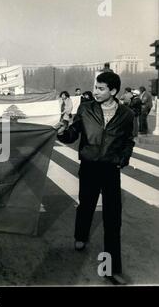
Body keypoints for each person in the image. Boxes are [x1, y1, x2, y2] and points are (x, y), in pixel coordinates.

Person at [53, 72, 134, 285]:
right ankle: (81, 236)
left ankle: (111, 268)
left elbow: (128, 141)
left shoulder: (126, 114)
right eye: (95, 87)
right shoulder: (85, 109)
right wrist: (62, 132)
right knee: (86, 206)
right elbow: (73, 134)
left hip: (110, 170)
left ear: (113, 91)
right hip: (89, 167)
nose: (95, 91)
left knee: (112, 218)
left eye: (100, 88)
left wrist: (122, 160)